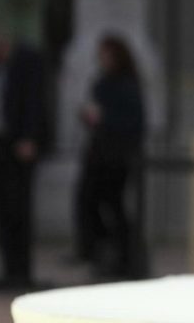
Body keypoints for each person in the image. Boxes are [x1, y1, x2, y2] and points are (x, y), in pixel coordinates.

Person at [0, 25, 49, 290]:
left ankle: (22, 271)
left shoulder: (27, 61)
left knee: (19, 209)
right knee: (2, 210)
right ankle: (8, 269)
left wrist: (30, 137)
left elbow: (34, 102)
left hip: (19, 146)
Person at [75, 34, 145, 277]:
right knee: (88, 202)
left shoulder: (127, 85)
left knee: (115, 207)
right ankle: (101, 252)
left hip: (117, 157)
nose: (103, 60)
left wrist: (104, 118)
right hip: (98, 155)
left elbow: (133, 122)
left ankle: (123, 257)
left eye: (107, 55)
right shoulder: (101, 83)